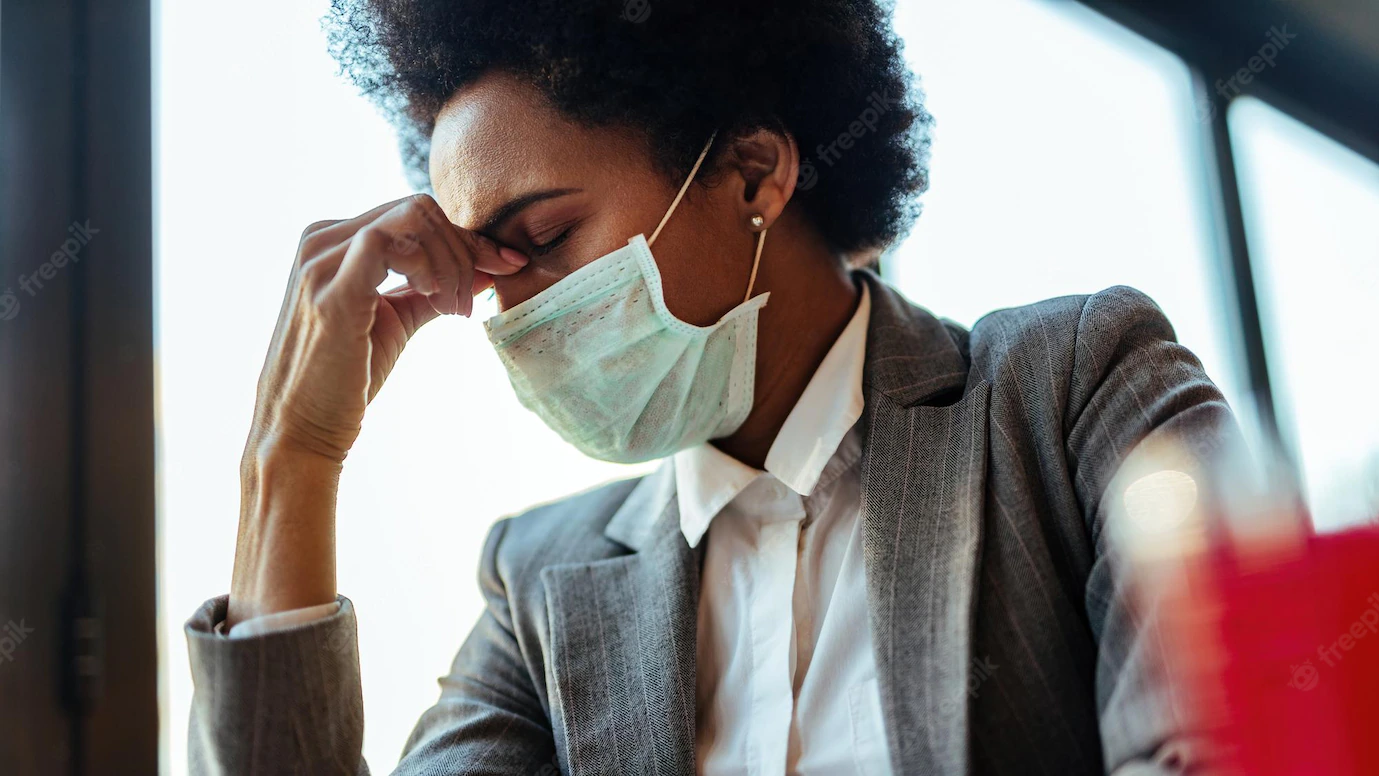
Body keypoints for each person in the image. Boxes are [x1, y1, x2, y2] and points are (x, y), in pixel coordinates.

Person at [185, 1, 1239, 773]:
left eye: (545, 239)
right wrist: (293, 458)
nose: (514, 319)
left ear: (752, 172)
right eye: (487, 269)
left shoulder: (1070, 391)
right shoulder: (541, 582)